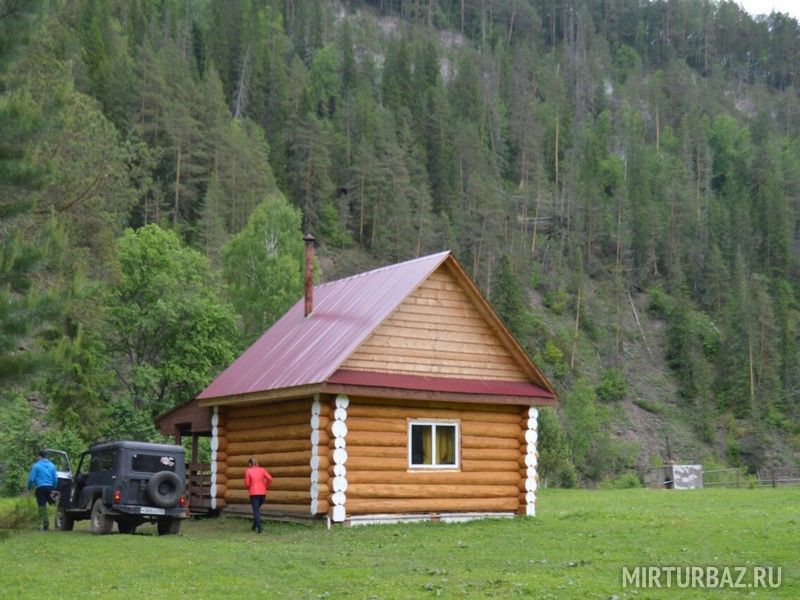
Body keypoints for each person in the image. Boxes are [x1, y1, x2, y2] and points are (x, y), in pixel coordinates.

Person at [28, 450, 58, 531]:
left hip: (40, 488)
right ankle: (59, 522)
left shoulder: (36, 466)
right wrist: (53, 488)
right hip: (50, 487)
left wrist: (29, 487)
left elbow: (31, 479)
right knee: (53, 504)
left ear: (39, 456)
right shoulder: (52, 465)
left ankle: (44, 526)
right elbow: (55, 479)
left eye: (37, 457)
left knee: (42, 507)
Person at [244, 457, 272, 534]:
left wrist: (249, 487)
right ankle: (254, 525)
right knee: (257, 509)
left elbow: (247, 484)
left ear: (250, 464)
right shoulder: (262, 470)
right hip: (262, 494)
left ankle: (260, 529)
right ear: (257, 463)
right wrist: (265, 486)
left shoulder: (248, 471)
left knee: (256, 511)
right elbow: (270, 478)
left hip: (254, 494)